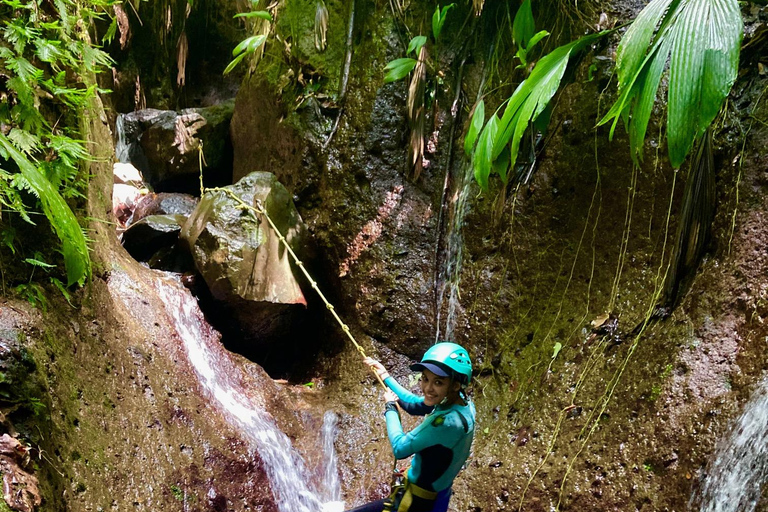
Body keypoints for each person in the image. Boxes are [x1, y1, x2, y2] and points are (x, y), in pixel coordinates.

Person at [348, 342, 476, 512]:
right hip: (436, 500)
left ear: (455, 385)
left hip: (417, 503)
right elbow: (416, 405)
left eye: (438, 382)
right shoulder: (463, 405)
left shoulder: (445, 423)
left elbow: (400, 448)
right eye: (425, 378)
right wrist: (385, 376)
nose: (427, 388)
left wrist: (390, 408)